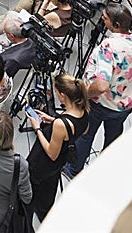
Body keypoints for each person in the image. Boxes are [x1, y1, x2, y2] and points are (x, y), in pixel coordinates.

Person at [65, 5, 132, 177]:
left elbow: (101, 86)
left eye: (105, 18)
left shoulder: (109, 46)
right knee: (114, 136)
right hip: (125, 105)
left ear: (115, 24)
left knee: (85, 136)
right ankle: (105, 169)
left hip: (97, 104)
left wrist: (83, 94)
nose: (102, 19)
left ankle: (74, 170)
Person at [27, 74, 91, 222]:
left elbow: (51, 153)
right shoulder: (84, 111)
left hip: (45, 162)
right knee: (49, 189)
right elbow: (83, 130)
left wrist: (37, 129)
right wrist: (53, 120)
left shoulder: (61, 124)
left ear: (63, 95)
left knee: (33, 187)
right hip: (62, 158)